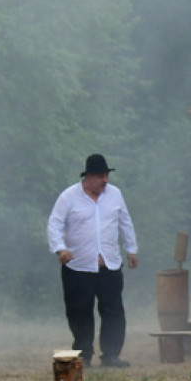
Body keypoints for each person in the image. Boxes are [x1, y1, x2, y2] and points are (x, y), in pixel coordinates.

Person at [47, 153, 138, 368]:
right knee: (79, 311)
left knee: (113, 310)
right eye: (99, 176)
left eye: (106, 175)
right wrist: (60, 249)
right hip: (78, 266)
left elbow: (125, 223)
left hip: (109, 264)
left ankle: (111, 355)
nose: (104, 180)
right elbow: (55, 224)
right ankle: (84, 354)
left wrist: (131, 249)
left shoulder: (115, 194)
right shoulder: (69, 196)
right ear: (87, 176)